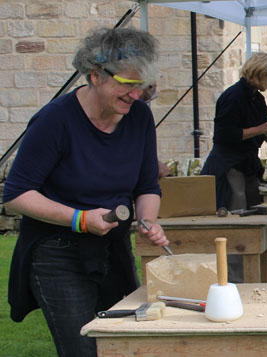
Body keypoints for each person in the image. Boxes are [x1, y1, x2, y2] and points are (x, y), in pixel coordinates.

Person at [2, 27, 168, 356]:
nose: (136, 95)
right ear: (95, 75)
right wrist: (79, 219)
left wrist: (148, 221)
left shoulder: (139, 117)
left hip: (112, 248)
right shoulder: (55, 121)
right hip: (58, 253)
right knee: (82, 350)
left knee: (125, 344)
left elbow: (147, 185)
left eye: (142, 86)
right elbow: (16, 194)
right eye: (127, 84)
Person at [200, 52, 267, 281]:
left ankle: (255, 274)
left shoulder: (256, 98)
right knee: (236, 223)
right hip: (228, 168)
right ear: (259, 73)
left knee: (254, 221)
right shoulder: (232, 96)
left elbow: (264, 131)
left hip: (248, 166)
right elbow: (225, 135)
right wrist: (261, 129)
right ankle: (234, 278)